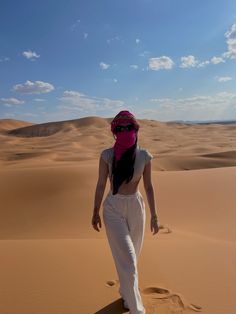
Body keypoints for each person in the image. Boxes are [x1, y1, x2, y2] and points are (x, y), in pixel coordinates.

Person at [92, 110, 159, 314]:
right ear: (114, 131)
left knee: (132, 258)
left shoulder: (144, 156)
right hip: (113, 208)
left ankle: (125, 291)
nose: (125, 132)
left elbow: (148, 187)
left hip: (136, 207)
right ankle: (137, 309)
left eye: (129, 127)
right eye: (119, 129)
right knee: (128, 259)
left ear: (136, 129)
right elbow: (101, 184)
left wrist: (155, 216)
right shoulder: (107, 155)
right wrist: (95, 211)